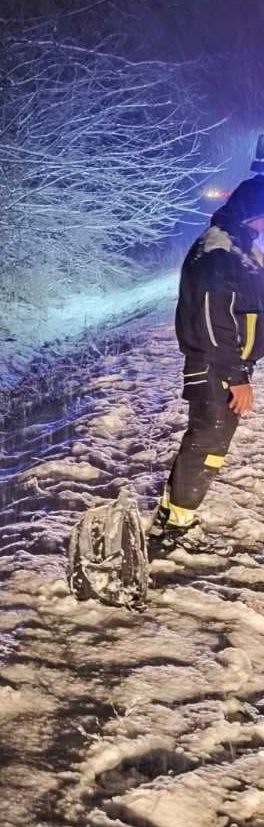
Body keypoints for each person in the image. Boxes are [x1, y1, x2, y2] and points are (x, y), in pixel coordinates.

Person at [152, 140, 264, 549]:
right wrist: (236, 376)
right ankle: (174, 529)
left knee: (207, 439)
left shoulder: (234, 246)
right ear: (253, 214)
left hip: (220, 367)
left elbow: (248, 306)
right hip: (214, 368)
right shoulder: (220, 252)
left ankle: (171, 515)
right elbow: (215, 321)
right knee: (209, 441)